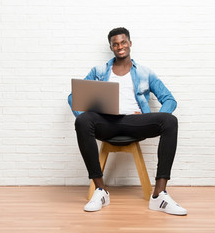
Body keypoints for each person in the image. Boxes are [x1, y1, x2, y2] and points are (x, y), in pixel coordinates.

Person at [68, 27, 187, 216]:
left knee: (170, 121)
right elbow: (74, 97)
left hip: (134, 122)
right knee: (83, 121)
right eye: (115, 44)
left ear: (130, 43)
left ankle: (159, 194)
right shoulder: (99, 71)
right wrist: (85, 115)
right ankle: (100, 190)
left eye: (123, 42)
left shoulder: (145, 72)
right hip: (106, 123)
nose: (120, 46)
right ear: (111, 47)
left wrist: (147, 116)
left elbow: (170, 99)